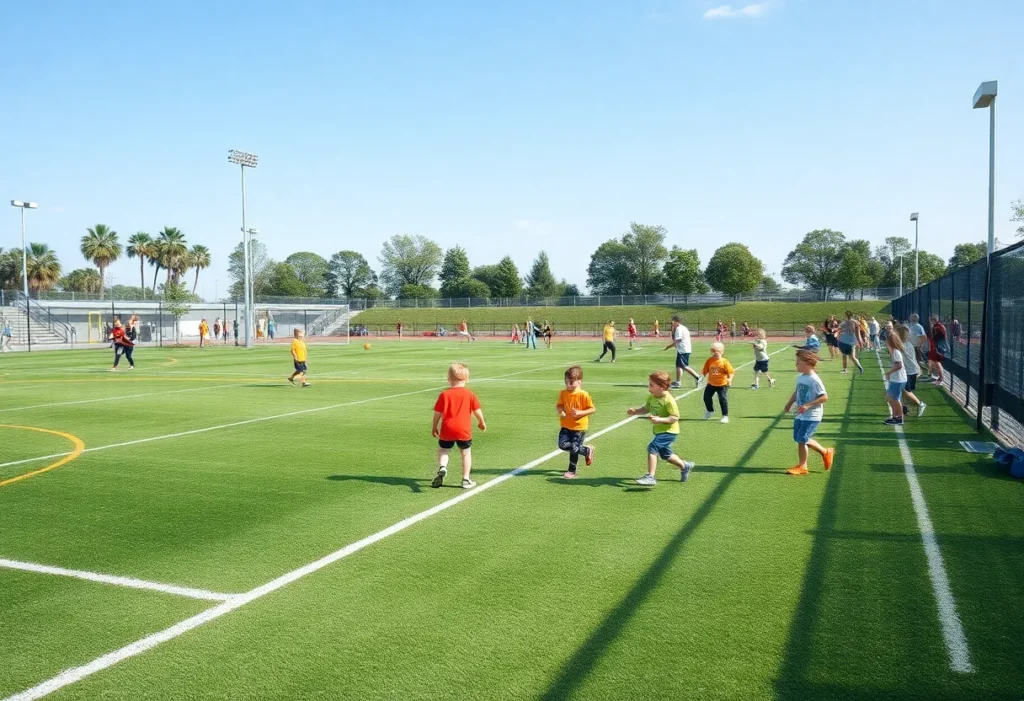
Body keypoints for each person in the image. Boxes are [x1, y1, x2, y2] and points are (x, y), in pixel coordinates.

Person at [627, 371, 695, 486]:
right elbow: (646, 408)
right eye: (649, 384)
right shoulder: (652, 397)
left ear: (663, 387)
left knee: (652, 448)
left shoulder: (668, 400)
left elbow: (675, 417)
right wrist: (636, 411)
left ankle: (650, 476)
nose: (649, 387)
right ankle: (685, 466)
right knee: (665, 455)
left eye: (652, 385)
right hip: (660, 431)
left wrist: (660, 420)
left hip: (669, 431)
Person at [431, 363, 486, 489]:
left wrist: (434, 427)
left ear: (448, 379)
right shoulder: (469, 394)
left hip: (447, 429)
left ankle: (443, 466)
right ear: (466, 379)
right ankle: (466, 479)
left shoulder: (444, 395)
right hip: (463, 430)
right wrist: (481, 422)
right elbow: (477, 410)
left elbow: (437, 413)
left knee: (444, 450)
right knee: (466, 453)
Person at [783, 351, 835, 475]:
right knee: (799, 438)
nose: (796, 364)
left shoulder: (814, 380)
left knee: (802, 439)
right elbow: (797, 392)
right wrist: (789, 403)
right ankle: (825, 452)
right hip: (801, 414)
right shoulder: (802, 377)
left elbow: (824, 397)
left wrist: (807, 405)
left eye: (798, 362)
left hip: (812, 415)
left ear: (808, 364)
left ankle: (803, 466)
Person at [556, 365, 596, 479]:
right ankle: (586, 450)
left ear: (579, 382)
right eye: (566, 382)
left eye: (571, 382)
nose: (568, 384)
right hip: (566, 425)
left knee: (574, 448)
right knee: (562, 445)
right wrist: (561, 411)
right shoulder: (563, 393)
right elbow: (559, 405)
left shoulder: (583, 394)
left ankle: (571, 471)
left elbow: (592, 409)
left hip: (579, 427)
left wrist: (579, 413)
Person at [897, 325, 926, 418]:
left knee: (905, 390)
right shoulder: (908, 344)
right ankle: (905, 408)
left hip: (910, 371)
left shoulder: (902, 346)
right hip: (912, 370)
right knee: (904, 390)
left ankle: (920, 403)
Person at [701, 342, 734, 423]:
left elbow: (731, 372)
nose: (715, 353)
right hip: (711, 383)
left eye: (717, 351)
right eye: (713, 351)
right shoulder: (709, 360)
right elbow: (705, 370)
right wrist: (701, 377)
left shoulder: (725, 362)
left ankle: (725, 416)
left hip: (722, 384)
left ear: (722, 352)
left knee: (722, 399)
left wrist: (730, 379)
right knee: (706, 397)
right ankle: (710, 411)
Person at [665, 314, 700, 389]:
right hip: (684, 349)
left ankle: (697, 377)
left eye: (673, 322)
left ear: (677, 322)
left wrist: (669, 346)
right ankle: (678, 382)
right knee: (679, 366)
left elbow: (678, 340)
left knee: (683, 366)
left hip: (683, 350)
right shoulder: (683, 328)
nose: (672, 323)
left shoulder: (679, 329)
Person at [883, 329, 908, 426]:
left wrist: (889, 372)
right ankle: (895, 416)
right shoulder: (893, 351)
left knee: (895, 398)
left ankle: (900, 418)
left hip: (899, 379)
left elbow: (899, 365)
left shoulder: (896, 353)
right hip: (897, 379)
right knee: (889, 396)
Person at [907, 314, 929, 378]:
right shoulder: (911, 325)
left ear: (914, 319)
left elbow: (924, 337)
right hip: (912, 346)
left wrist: (920, 345)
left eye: (911, 317)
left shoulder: (918, 326)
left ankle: (925, 373)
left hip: (916, 346)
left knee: (919, 360)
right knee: (915, 360)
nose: (909, 318)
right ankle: (919, 372)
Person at [927, 315, 947, 385]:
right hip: (935, 347)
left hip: (937, 348)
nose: (930, 322)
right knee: (935, 362)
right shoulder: (938, 326)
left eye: (930, 320)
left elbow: (935, 338)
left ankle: (941, 378)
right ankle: (937, 376)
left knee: (937, 362)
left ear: (933, 320)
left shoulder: (937, 327)